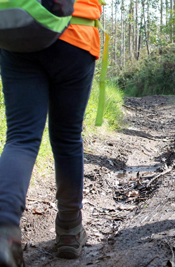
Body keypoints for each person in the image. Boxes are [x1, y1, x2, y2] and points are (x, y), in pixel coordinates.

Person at [0, 0, 103, 264]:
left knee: (21, 137)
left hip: (18, 30)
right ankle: (70, 230)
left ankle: (4, 229)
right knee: (67, 137)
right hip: (75, 33)